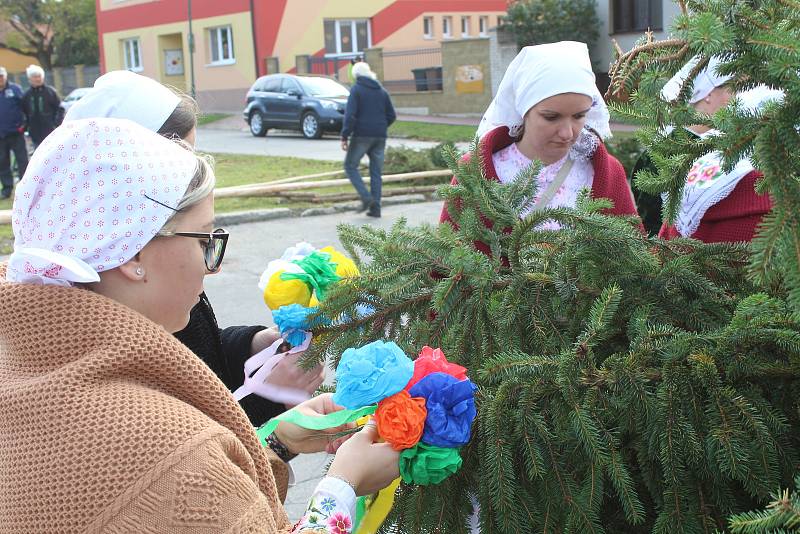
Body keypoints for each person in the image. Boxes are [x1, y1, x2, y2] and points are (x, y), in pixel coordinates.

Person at [0, 117, 400, 532]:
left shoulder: (26, 371)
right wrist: (344, 483)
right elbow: (184, 480)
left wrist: (278, 440)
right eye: (204, 239)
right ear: (133, 255)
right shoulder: (165, 446)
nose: (213, 266)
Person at [66, 70, 324, 428]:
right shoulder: (114, 335)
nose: (191, 171)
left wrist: (253, 344)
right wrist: (269, 399)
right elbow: (191, 444)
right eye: (180, 154)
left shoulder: (142, 282)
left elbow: (198, 354)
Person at [439, 41, 639, 251]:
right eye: (551, 117)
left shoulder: (606, 172)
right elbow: (447, 261)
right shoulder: (475, 172)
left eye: (579, 116)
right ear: (523, 110)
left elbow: (635, 260)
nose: (567, 133)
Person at [651, 57, 774, 243]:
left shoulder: (724, 148)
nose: (738, 98)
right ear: (708, 94)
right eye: (735, 89)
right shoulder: (685, 149)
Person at [341, 61, 396, 218]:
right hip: (380, 136)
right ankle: (376, 209)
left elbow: (350, 115)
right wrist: (381, 126)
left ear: (356, 75)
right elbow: (392, 115)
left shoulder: (356, 90)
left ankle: (366, 198)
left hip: (361, 136)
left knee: (350, 166)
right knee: (376, 173)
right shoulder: (382, 91)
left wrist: (345, 135)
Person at [0, 65, 28, 199]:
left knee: (23, 161)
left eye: (1, 77)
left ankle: (25, 188)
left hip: (16, 133)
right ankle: (7, 189)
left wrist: (24, 126)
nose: (0, 79)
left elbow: (25, 108)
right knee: (3, 162)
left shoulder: (15, 89)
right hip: (1, 135)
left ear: (5, 77)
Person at [21, 64, 61, 148]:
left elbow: (60, 109)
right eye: (35, 77)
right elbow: (23, 113)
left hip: (51, 131)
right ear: (29, 79)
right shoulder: (26, 95)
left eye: (39, 76)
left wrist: (57, 124)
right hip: (35, 133)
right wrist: (25, 127)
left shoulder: (51, 92)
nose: (38, 79)